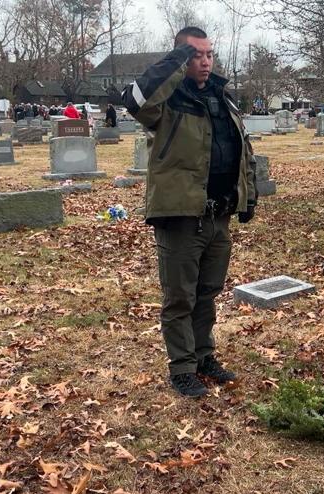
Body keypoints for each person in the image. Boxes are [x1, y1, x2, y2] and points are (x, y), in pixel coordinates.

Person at [121, 26, 258, 398]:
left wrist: (248, 196)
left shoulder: (221, 98)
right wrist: (174, 62)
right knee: (180, 297)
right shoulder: (166, 100)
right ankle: (182, 368)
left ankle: (203, 356)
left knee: (207, 292)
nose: (205, 61)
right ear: (180, 58)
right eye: (195, 54)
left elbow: (241, 147)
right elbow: (134, 100)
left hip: (218, 215)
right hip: (181, 215)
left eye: (208, 54)